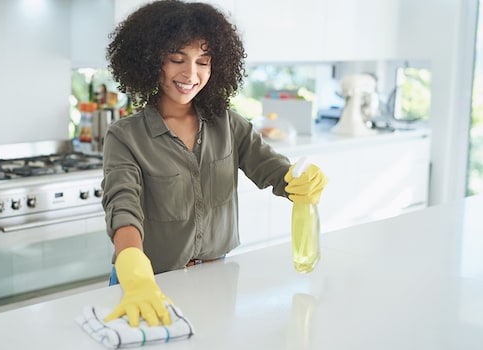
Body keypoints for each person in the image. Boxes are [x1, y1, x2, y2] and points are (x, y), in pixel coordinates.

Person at [100, 0, 328, 327]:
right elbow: (123, 207)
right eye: (177, 59)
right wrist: (135, 272)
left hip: (216, 277)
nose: (190, 74)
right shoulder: (125, 136)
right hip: (149, 284)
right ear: (150, 61)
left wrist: (301, 180)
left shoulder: (228, 125)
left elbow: (275, 173)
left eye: (202, 62)